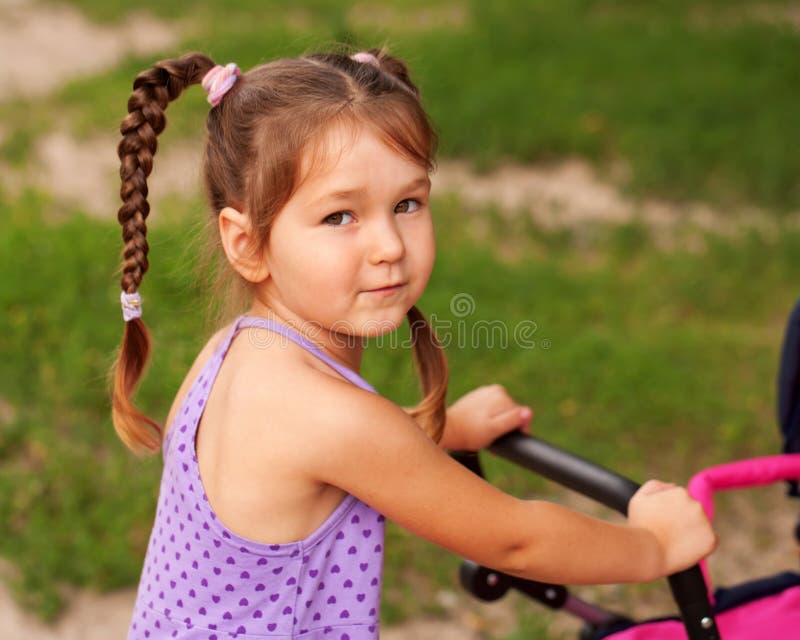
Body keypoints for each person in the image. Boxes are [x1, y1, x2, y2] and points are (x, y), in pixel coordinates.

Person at [110, 49, 716, 640]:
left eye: (407, 204)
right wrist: (654, 545)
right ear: (247, 244)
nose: (390, 245)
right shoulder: (333, 421)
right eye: (340, 216)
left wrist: (440, 429)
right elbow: (515, 539)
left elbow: (318, 459)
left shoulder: (230, 353)